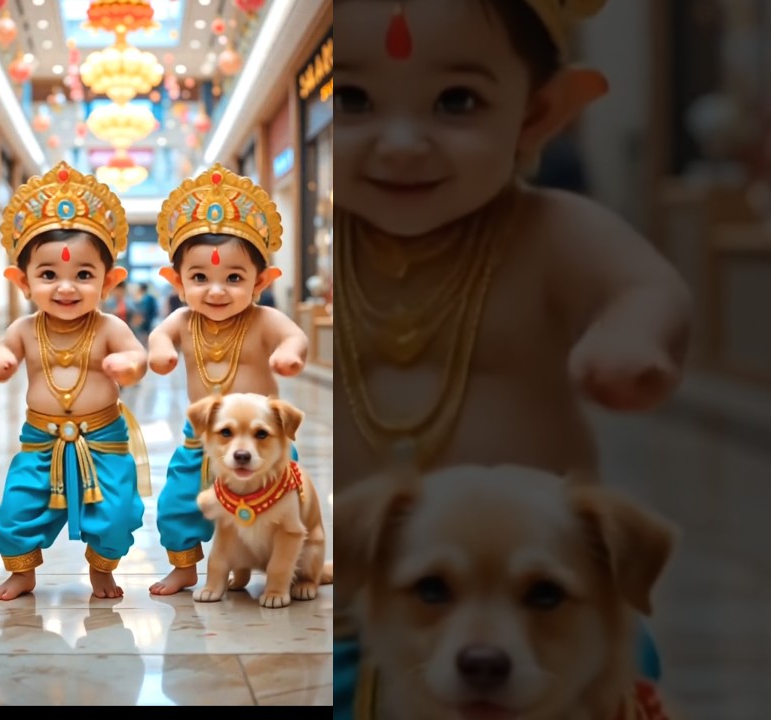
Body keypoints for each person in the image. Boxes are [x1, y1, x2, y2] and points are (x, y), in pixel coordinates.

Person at [333, 0, 692, 716]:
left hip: (548, 599)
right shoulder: (314, 244)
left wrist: (632, 333)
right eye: (352, 99)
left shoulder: (552, 230)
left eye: (455, 101)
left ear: (538, 115)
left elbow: (648, 285)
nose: (401, 142)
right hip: (360, 601)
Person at [0, 161, 152, 601]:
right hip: (41, 440)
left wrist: (129, 367)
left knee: (116, 514)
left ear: (109, 281)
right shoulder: (23, 328)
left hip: (103, 440)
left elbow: (136, 355)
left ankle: (102, 569)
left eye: (83, 274)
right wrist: (1, 359)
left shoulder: (109, 326)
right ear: (22, 282)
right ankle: (21, 574)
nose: (66, 287)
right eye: (47, 275)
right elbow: (3, 349)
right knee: (17, 510)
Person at [144, 163, 311, 596]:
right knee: (178, 504)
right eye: (200, 277)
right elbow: (160, 335)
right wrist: (160, 350)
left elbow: (293, 335)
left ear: (261, 281)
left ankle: (272, 565)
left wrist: (289, 353)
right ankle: (184, 567)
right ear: (177, 282)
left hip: (259, 437)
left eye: (233, 278)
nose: (216, 290)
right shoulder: (181, 319)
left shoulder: (264, 318)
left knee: (273, 505)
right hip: (202, 436)